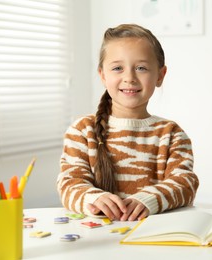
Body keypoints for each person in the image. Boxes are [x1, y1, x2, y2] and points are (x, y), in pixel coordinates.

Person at [57, 24, 199, 222]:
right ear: (103, 75)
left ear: (160, 75)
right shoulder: (82, 131)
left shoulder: (172, 134)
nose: (129, 78)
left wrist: (149, 199)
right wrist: (94, 198)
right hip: (98, 240)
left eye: (141, 68)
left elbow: (185, 183)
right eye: (117, 68)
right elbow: (69, 183)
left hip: (151, 238)